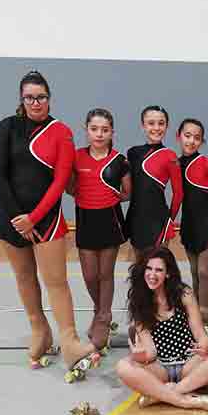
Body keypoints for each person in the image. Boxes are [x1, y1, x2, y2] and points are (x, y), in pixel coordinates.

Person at [0, 70, 98, 373]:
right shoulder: (7, 127)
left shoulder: (60, 131)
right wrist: (17, 219)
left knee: (56, 281)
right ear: (21, 100)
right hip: (8, 217)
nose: (35, 102)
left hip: (46, 219)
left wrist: (34, 218)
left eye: (41, 97)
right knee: (24, 277)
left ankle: (70, 340)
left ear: (49, 99)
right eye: (29, 97)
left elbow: (61, 180)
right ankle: (40, 330)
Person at [115, 246, 208, 410]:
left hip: (189, 364)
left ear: (167, 274)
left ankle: (162, 394)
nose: (152, 275)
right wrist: (140, 356)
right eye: (149, 268)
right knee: (123, 366)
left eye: (159, 270)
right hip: (160, 367)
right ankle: (184, 400)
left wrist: (204, 345)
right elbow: (151, 352)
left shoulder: (184, 294)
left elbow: (200, 334)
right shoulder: (139, 301)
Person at [69, 108, 131, 352]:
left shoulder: (119, 160)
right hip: (85, 219)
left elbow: (127, 193)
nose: (99, 134)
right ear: (86, 130)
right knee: (89, 275)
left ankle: (103, 319)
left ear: (112, 132)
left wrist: (112, 197)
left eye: (104, 130)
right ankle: (100, 310)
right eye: (94, 129)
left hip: (110, 220)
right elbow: (70, 187)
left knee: (105, 274)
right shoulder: (75, 157)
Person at [177, 118, 208, 325]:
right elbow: (177, 196)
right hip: (189, 224)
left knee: (204, 271)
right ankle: (195, 312)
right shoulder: (175, 164)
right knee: (194, 271)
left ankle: (204, 316)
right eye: (187, 136)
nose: (191, 141)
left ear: (202, 141)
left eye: (197, 138)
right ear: (179, 136)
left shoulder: (206, 164)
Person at [125, 106, 183, 253]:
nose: (156, 128)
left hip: (159, 220)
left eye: (161, 123)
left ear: (167, 126)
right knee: (139, 269)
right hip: (136, 218)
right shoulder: (132, 153)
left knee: (158, 267)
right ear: (143, 125)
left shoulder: (170, 156)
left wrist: (169, 219)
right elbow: (129, 188)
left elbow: (179, 194)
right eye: (151, 123)